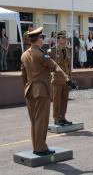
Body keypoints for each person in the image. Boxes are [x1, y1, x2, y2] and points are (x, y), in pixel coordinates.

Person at [21, 27, 76, 156]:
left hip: (29, 91)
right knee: (42, 120)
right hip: (41, 91)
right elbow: (55, 66)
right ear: (38, 40)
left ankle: (37, 146)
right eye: (42, 38)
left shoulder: (24, 54)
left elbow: (22, 76)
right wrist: (67, 79)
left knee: (35, 121)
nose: (43, 40)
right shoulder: (41, 53)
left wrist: (26, 88)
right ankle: (40, 148)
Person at [48, 31, 73, 126]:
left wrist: (70, 78)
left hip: (66, 80)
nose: (65, 40)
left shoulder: (67, 50)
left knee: (64, 99)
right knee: (57, 100)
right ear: (58, 39)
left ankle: (62, 117)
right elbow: (47, 64)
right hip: (57, 79)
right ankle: (56, 118)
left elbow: (69, 66)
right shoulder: (52, 51)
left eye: (65, 38)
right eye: (63, 38)